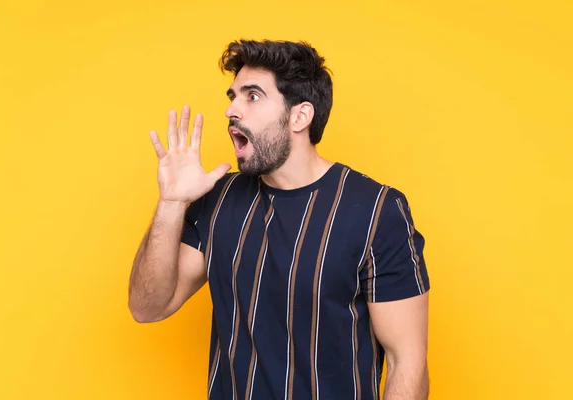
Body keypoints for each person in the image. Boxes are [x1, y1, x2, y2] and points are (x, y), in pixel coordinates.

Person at [128, 39, 430, 400]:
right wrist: (171, 203)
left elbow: (406, 362)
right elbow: (147, 307)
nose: (232, 110)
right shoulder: (217, 201)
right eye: (232, 96)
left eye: (252, 96)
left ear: (299, 116)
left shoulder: (376, 211)